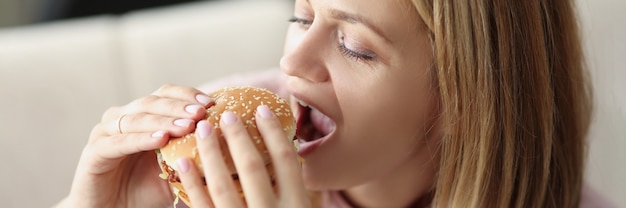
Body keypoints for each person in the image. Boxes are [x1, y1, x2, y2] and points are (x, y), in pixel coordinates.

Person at [55, 0, 614, 207]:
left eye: (354, 47)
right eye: (300, 16)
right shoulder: (217, 140)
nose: (293, 61)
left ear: (467, 102)